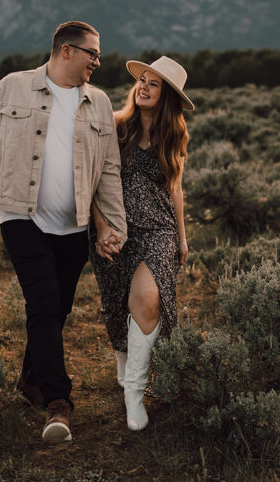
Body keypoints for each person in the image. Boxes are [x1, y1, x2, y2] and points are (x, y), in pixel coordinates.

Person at [0, 20, 126, 444]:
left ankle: (30, 380)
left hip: (74, 226)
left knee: (57, 309)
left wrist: (114, 227)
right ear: (66, 51)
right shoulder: (12, 87)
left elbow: (109, 172)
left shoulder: (99, 103)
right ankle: (57, 403)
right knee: (44, 302)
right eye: (92, 54)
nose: (97, 63)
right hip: (20, 215)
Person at [89, 55, 192, 431]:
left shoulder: (173, 134)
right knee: (118, 304)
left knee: (147, 299)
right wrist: (100, 226)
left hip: (159, 231)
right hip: (116, 231)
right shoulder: (116, 128)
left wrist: (181, 237)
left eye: (154, 84)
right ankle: (126, 366)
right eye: (142, 81)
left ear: (166, 96)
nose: (143, 87)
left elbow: (175, 187)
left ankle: (134, 393)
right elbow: (93, 181)